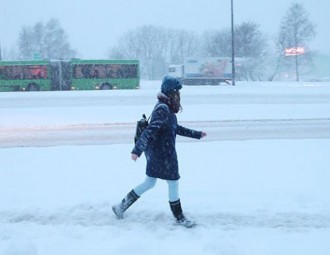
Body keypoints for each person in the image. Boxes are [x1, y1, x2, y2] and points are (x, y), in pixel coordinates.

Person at [112, 76, 207, 228]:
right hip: (164, 155)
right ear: (171, 93)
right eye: (177, 93)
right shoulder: (163, 109)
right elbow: (150, 131)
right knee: (173, 182)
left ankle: (120, 206)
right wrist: (137, 150)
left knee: (149, 183)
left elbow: (175, 128)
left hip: (158, 153)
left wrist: (196, 134)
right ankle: (179, 217)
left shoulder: (165, 107)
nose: (179, 96)